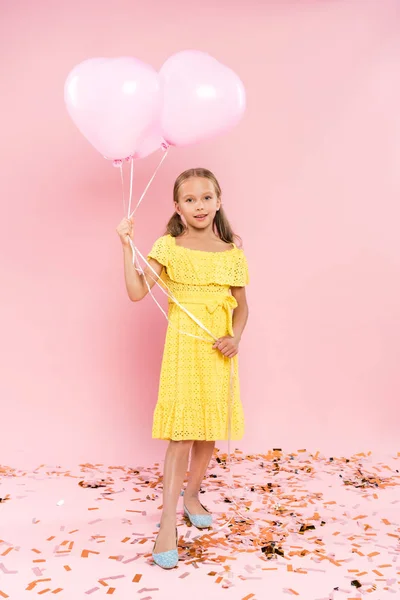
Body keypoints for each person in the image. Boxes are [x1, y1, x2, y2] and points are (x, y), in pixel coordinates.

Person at [116, 168, 249, 569]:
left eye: (206, 197)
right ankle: (168, 521)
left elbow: (242, 307)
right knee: (181, 434)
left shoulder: (232, 253)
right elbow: (138, 292)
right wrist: (126, 245)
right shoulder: (169, 246)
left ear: (219, 200)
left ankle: (192, 494)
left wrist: (236, 337)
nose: (199, 206)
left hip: (218, 351)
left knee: (208, 430)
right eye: (190, 199)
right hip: (184, 350)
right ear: (177, 206)